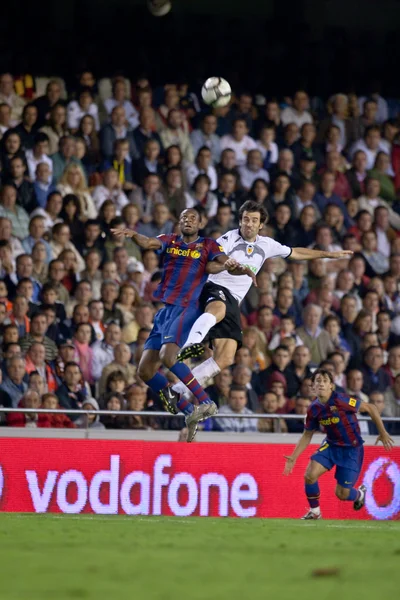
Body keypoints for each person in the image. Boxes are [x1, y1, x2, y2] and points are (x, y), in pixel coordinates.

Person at [170, 200, 352, 407]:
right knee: (218, 308)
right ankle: (191, 344)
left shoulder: (267, 244)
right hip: (214, 289)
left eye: (254, 220)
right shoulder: (228, 239)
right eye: (245, 219)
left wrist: (328, 255)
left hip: (233, 300)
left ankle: (177, 390)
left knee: (226, 358)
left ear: (260, 225)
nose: (249, 224)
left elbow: (296, 252)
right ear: (240, 221)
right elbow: (210, 263)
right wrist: (224, 264)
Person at [111, 208, 253, 442]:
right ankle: (190, 412)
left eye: (193, 218)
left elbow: (221, 261)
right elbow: (148, 243)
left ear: (201, 222)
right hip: (165, 310)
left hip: (187, 307)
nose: (187, 220)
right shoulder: (170, 241)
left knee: (169, 357)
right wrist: (132, 234)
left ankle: (206, 402)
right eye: (184, 217)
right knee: (145, 371)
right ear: (179, 222)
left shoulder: (208, 245)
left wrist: (233, 264)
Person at [283, 368, 394, 520]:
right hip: (331, 445)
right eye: (317, 381)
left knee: (342, 493)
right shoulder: (313, 409)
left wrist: (382, 432)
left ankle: (360, 494)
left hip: (351, 450)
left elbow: (371, 408)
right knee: (309, 476)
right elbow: (307, 434)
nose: (321, 384)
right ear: (313, 387)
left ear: (331, 386)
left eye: (324, 381)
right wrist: (294, 457)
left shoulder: (341, 400)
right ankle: (315, 512)